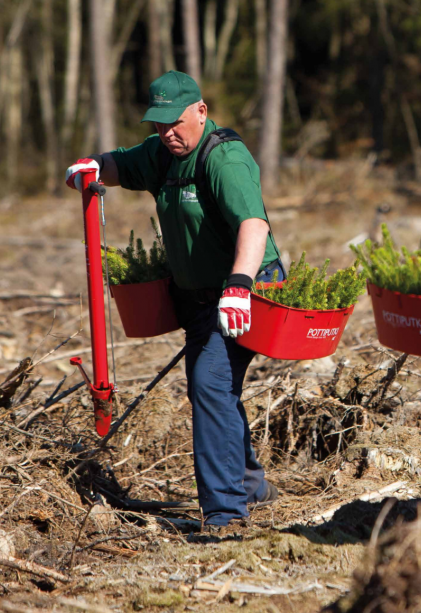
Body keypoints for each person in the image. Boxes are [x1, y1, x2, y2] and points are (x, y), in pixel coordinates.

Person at [65, 71, 283, 534]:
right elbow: (118, 164)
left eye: (176, 123)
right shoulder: (162, 152)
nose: (168, 134)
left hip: (248, 290)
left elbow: (254, 225)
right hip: (200, 298)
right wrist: (90, 167)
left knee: (210, 384)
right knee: (216, 389)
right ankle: (249, 483)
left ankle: (225, 515)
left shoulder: (223, 158)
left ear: (201, 111)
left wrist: (239, 285)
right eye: (159, 125)